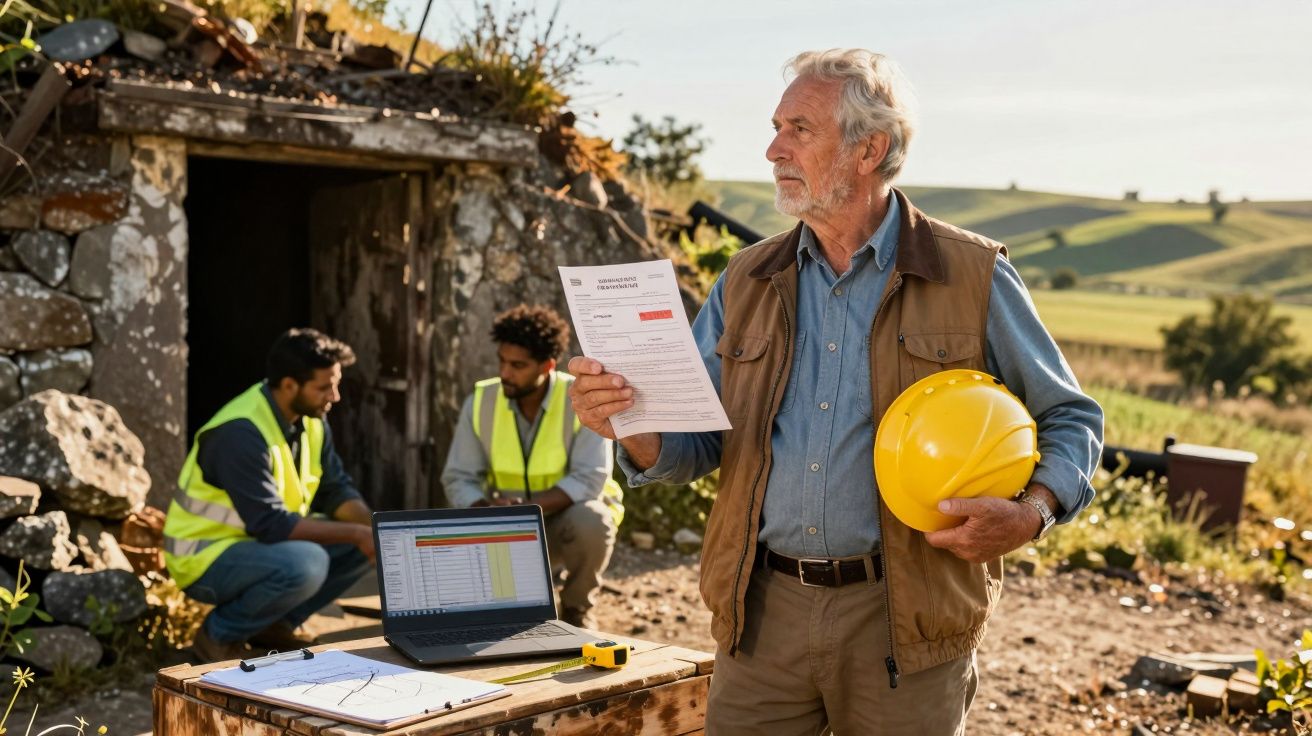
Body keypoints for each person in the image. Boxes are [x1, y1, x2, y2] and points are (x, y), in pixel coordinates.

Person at [568, 49, 1104, 734]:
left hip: (905, 620)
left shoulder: (971, 274)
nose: (772, 149)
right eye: (776, 126)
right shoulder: (745, 280)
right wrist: (631, 427)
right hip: (761, 617)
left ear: (868, 149)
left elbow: (1070, 416)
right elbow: (695, 445)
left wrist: (1032, 512)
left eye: (799, 129)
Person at [164, 328, 376, 663]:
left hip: (255, 546)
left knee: (364, 543)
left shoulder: (312, 422)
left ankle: (273, 626)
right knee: (307, 563)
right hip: (202, 558)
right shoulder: (239, 432)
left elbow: (335, 490)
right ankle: (219, 635)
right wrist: (355, 532)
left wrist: (376, 531)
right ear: (289, 385)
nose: (335, 396)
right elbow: (270, 524)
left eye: (336, 384)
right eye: (324, 387)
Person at [442, 304, 623, 629]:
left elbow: (589, 478)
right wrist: (484, 508)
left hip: (560, 526)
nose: (505, 373)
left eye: (518, 365)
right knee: (495, 625)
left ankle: (576, 610)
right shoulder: (482, 401)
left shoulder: (581, 400)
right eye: (502, 361)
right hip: (503, 531)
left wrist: (524, 509)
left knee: (593, 518)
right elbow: (459, 477)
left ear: (548, 365)